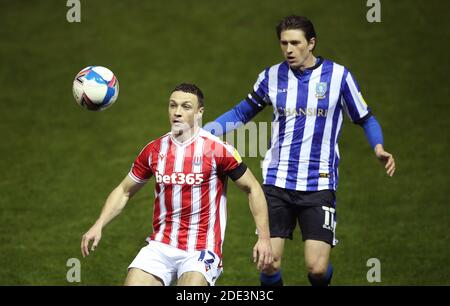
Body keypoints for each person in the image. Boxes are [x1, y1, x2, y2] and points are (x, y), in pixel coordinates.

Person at [203, 15, 395, 286]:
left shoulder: (339, 76)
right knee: (269, 263)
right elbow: (241, 112)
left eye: (295, 43)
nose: (288, 49)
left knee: (317, 268)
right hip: (276, 181)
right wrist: (201, 133)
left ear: (311, 43)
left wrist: (378, 148)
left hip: (320, 183)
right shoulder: (271, 76)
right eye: (284, 43)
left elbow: (365, 117)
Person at [81, 83, 273, 286]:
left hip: (201, 249)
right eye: (173, 106)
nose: (177, 112)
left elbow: (253, 188)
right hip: (160, 246)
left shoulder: (217, 150)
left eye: (186, 107)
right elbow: (124, 190)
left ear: (200, 112)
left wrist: (264, 237)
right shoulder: (154, 150)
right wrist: (99, 223)